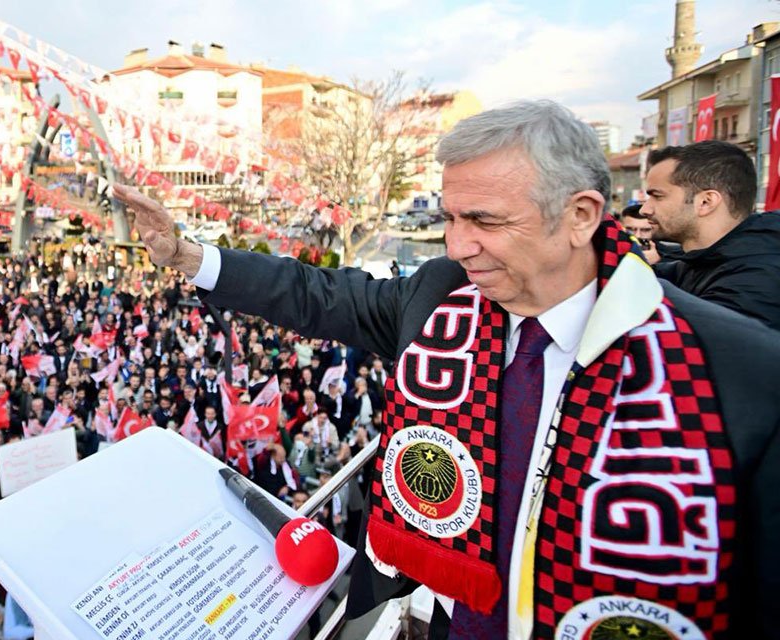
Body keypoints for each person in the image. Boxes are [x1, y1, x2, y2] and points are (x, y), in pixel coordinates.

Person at [115, 100, 780, 638]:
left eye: (485, 221)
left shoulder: (735, 373)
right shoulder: (438, 295)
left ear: (580, 216)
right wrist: (186, 254)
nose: (459, 245)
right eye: (451, 217)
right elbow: (317, 296)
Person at [640, 140, 780, 330]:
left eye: (657, 196)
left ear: (706, 202)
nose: (644, 209)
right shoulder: (703, 262)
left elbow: (705, 347)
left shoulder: (753, 282)